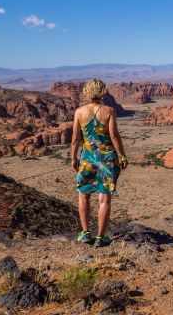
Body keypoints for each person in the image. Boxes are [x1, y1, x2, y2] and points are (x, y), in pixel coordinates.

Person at [71, 79, 128, 247]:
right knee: (104, 199)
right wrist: (122, 155)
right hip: (107, 159)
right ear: (103, 91)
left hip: (87, 159)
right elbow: (114, 136)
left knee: (83, 195)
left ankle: (85, 233)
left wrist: (73, 158)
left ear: (87, 92)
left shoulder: (79, 112)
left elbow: (75, 139)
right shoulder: (109, 111)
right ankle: (100, 238)